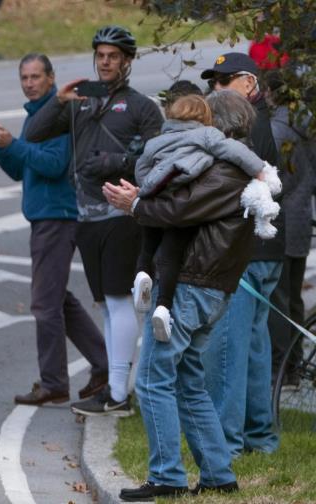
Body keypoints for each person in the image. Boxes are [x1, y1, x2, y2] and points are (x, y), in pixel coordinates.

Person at [104, 89, 258, 501]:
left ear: (219, 127)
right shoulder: (234, 167)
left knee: (153, 381)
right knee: (189, 382)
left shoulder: (225, 171)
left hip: (192, 287)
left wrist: (134, 204)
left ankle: (167, 477)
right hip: (208, 289)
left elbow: (177, 211)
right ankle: (218, 474)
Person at [24, 25, 164, 416]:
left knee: (120, 301)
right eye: (100, 56)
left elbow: (158, 159)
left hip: (122, 215)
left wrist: (117, 163)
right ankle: (114, 389)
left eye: (113, 56)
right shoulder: (80, 101)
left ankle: (119, 394)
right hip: (84, 215)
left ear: (128, 61)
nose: (105, 62)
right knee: (105, 304)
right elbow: (33, 134)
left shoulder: (141, 107)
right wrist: (58, 102)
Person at [0, 53, 109, 406]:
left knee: (45, 305)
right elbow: (22, 170)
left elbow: (52, 164)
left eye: (36, 77)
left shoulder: (59, 113)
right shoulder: (38, 114)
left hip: (57, 216)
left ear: (51, 78)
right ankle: (104, 363)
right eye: (25, 77)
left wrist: (12, 144)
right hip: (45, 215)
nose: (30, 83)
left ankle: (54, 384)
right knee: (58, 299)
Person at [132, 94, 277, 342]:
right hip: (182, 198)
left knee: (149, 246)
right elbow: (183, 210)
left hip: (157, 194)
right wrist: (260, 171)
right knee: (171, 252)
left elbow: (141, 166)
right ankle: (163, 306)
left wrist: (142, 195)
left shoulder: (159, 140)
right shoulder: (209, 138)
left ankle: (141, 276)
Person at [199, 52, 284, 458]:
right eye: (213, 81)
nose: (214, 89)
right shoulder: (260, 121)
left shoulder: (246, 126)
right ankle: (259, 437)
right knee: (253, 345)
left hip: (245, 253)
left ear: (248, 83)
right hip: (265, 251)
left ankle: (226, 446)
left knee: (228, 347)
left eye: (223, 80)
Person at [265, 71, 316, 390]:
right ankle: (296, 364)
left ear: (271, 94)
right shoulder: (309, 127)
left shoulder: (274, 130)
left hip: (280, 220)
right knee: (294, 297)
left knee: (277, 298)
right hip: (301, 220)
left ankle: (283, 368)